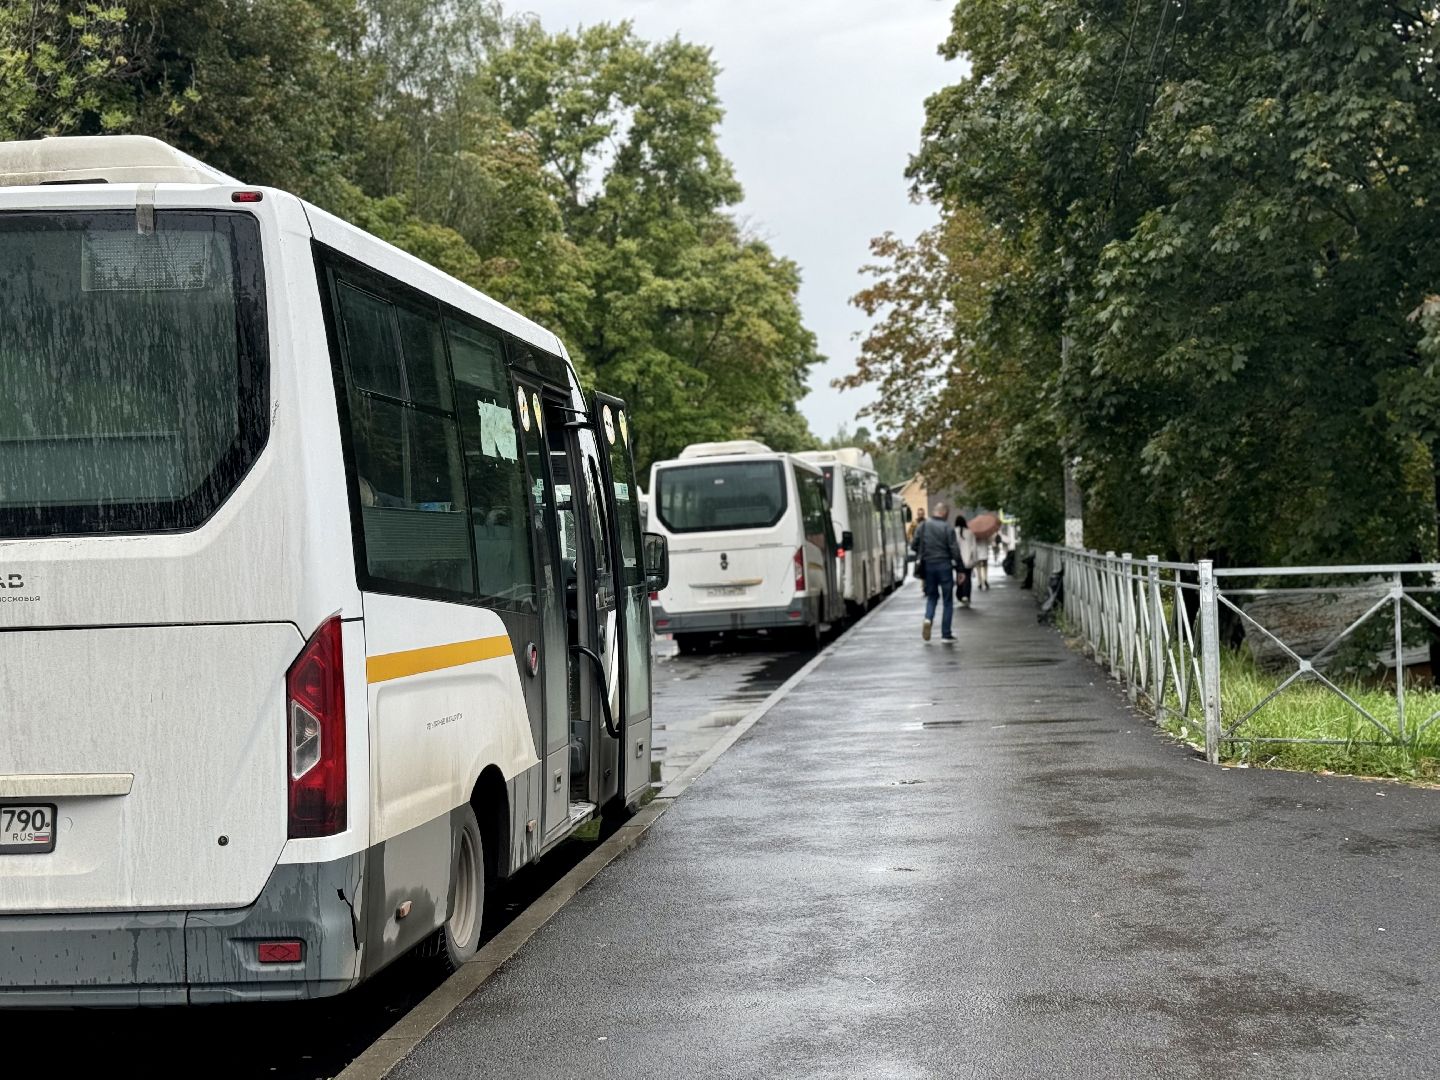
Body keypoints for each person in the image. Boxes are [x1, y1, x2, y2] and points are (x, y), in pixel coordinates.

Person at [909, 500, 961, 642]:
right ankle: (946, 634)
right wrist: (960, 570)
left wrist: (923, 552)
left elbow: (914, 545)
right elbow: (954, 550)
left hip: (928, 566)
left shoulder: (922, 526)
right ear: (943, 512)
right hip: (944, 566)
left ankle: (928, 618)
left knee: (932, 596)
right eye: (947, 513)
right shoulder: (947, 528)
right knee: (948, 600)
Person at [954, 515, 977, 606]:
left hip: (958, 560)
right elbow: (974, 547)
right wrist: (975, 559)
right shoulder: (970, 533)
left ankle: (959, 595)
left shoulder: (953, 532)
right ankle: (966, 595)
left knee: (959, 577)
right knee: (967, 578)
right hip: (968, 559)